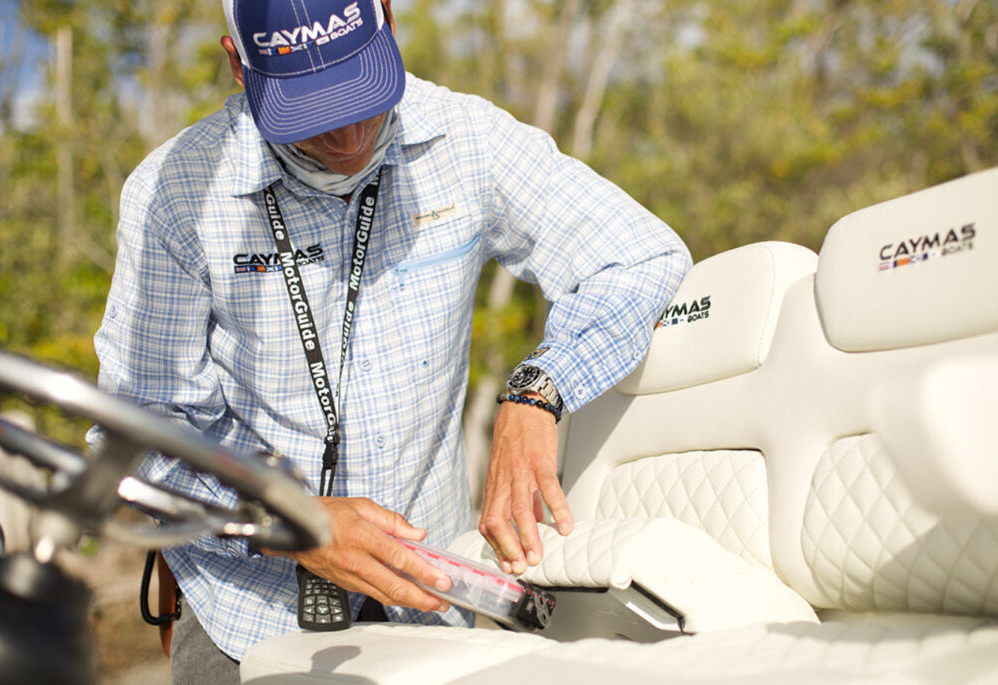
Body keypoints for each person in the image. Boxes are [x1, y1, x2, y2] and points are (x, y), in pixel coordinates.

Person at [92, 0, 690, 680]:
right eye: (310, 112)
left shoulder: (468, 138)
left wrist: (537, 393)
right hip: (249, 610)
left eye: (359, 93)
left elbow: (642, 256)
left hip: (434, 601)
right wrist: (289, 521)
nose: (349, 137)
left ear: (389, 26)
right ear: (238, 66)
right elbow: (133, 434)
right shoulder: (174, 194)